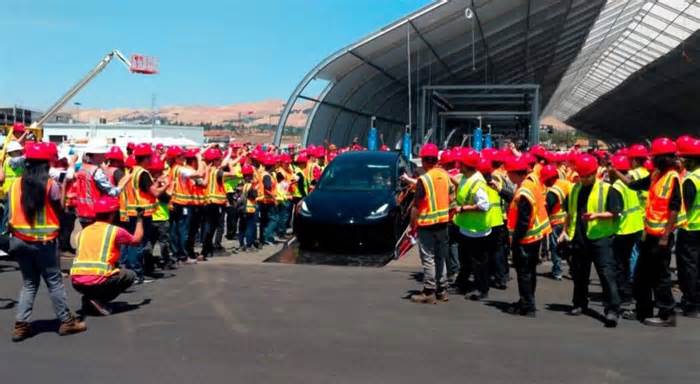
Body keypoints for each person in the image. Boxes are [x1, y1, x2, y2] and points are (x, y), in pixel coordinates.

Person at [9, 142, 86, 342]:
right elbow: (59, 207)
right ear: (46, 163)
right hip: (45, 243)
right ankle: (67, 322)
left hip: (19, 241)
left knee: (29, 284)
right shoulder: (51, 185)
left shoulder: (16, 184)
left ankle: (21, 325)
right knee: (54, 283)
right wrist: (64, 187)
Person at [615, 138, 684, 326]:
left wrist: (666, 236)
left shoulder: (672, 177)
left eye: (655, 157)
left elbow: (674, 209)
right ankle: (642, 310)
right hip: (650, 234)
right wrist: (615, 171)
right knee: (641, 274)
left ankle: (667, 314)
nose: (652, 160)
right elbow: (632, 183)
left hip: (661, 237)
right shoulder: (656, 175)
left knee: (659, 276)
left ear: (665, 158)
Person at [561, 154, 621, 327]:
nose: (584, 179)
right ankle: (579, 303)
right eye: (581, 175)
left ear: (595, 173)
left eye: (587, 175)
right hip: (579, 237)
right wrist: (564, 232)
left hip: (601, 238)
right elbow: (569, 213)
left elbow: (615, 212)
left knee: (606, 274)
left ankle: (612, 309)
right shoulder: (574, 189)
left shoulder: (608, 189)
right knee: (579, 274)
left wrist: (596, 215)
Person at [71, 197, 143, 316]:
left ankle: (90, 299)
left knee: (112, 271)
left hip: (77, 282)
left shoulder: (83, 232)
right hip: (97, 281)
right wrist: (139, 219)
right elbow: (136, 240)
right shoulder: (114, 231)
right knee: (129, 275)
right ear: (112, 214)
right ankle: (99, 301)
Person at [504, 156, 550, 317]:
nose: (507, 176)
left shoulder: (524, 190)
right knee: (530, 272)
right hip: (535, 236)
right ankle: (526, 300)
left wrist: (515, 241)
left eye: (508, 173)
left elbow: (523, 221)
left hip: (525, 238)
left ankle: (528, 305)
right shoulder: (530, 183)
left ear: (514, 173)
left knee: (523, 273)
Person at [408, 143, 453, 304]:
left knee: (428, 258)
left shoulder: (424, 179)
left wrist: (412, 225)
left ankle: (429, 291)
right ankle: (442, 290)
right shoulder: (445, 175)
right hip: (443, 223)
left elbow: (416, 205)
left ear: (424, 161)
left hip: (427, 224)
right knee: (441, 257)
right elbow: (452, 198)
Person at [119, 144, 167, 283]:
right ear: (146, 158)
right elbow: (155, 193)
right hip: (141, 214)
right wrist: (167, 185)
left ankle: (130, 272)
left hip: (131, 212)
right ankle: (136, 274)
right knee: (138, 244)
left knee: (130, 244)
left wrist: (156, 182)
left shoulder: (131, 171)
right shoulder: (143, 174)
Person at [452, 149, 491, 301]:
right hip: (466, 227)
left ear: (466, 165)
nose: (458, 164)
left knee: (478, 262)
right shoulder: (465, 177)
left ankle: (482, 289)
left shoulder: (477, 182)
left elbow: (484, 205)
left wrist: (462, 209)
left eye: (460, 163)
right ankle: (462, 284)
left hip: (477, 230)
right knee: (466, 260)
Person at [608, 154, 644, 309]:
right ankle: (636, 291)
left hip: (623, 229)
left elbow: (615, 211)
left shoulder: (616, 187)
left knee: (620, 265)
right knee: (634, 261)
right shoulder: (630, 182)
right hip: (637, 225)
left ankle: (625, 295)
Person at [167, 146, 205, 264]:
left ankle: (177, 253)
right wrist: (199, 159)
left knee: (175, 230)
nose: (184, 157)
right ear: (175, 158)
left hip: (175, 202)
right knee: (183, 230)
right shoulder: (181, 169)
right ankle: (183, 255)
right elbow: (200, 173)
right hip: (183, 203)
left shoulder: (173, 168)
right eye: (181, 156)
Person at [676, 136, 700, 317]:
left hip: (691, 229)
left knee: (689, 267)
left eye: (684, 158)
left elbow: (687, 205)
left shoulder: (691, 180)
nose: (682, 161)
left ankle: (691, 303)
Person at [541, 164, 571, 281]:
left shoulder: (553, 191)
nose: (545, 183)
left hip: (556, 222)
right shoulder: (566, 183)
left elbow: (547, 208)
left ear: (550, 178)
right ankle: (573, 270)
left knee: (555, 248)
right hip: (568, 220)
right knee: (569, 247)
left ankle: (557, 271)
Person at [146, 157, 174, 270]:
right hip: (161, 216)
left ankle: (148, 263)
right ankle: (166, 261)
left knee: (150, 242)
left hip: (151, 216)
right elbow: (165, 198)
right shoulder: (156, 185)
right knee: (163, 242)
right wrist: (168, 186)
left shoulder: (147, 183)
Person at [0, 140, 25, 233]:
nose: (20, 152)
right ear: (12, 152)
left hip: (17, 189)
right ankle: (4, 232)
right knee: (9, 214)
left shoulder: (8, 160)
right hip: (12, 190)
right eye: (17, 151)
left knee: (13, 213)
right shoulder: (11, 160)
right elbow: (18, 161)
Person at [238, 164, 258, 251]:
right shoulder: (251, 185)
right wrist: (255, 189)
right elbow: (253, 196)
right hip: (250, 209)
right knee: (250, 227)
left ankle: (241, 244)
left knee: (242, 227)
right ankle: (249, 245)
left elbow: (237, 195)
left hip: (241, 209)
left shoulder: (241, 183)